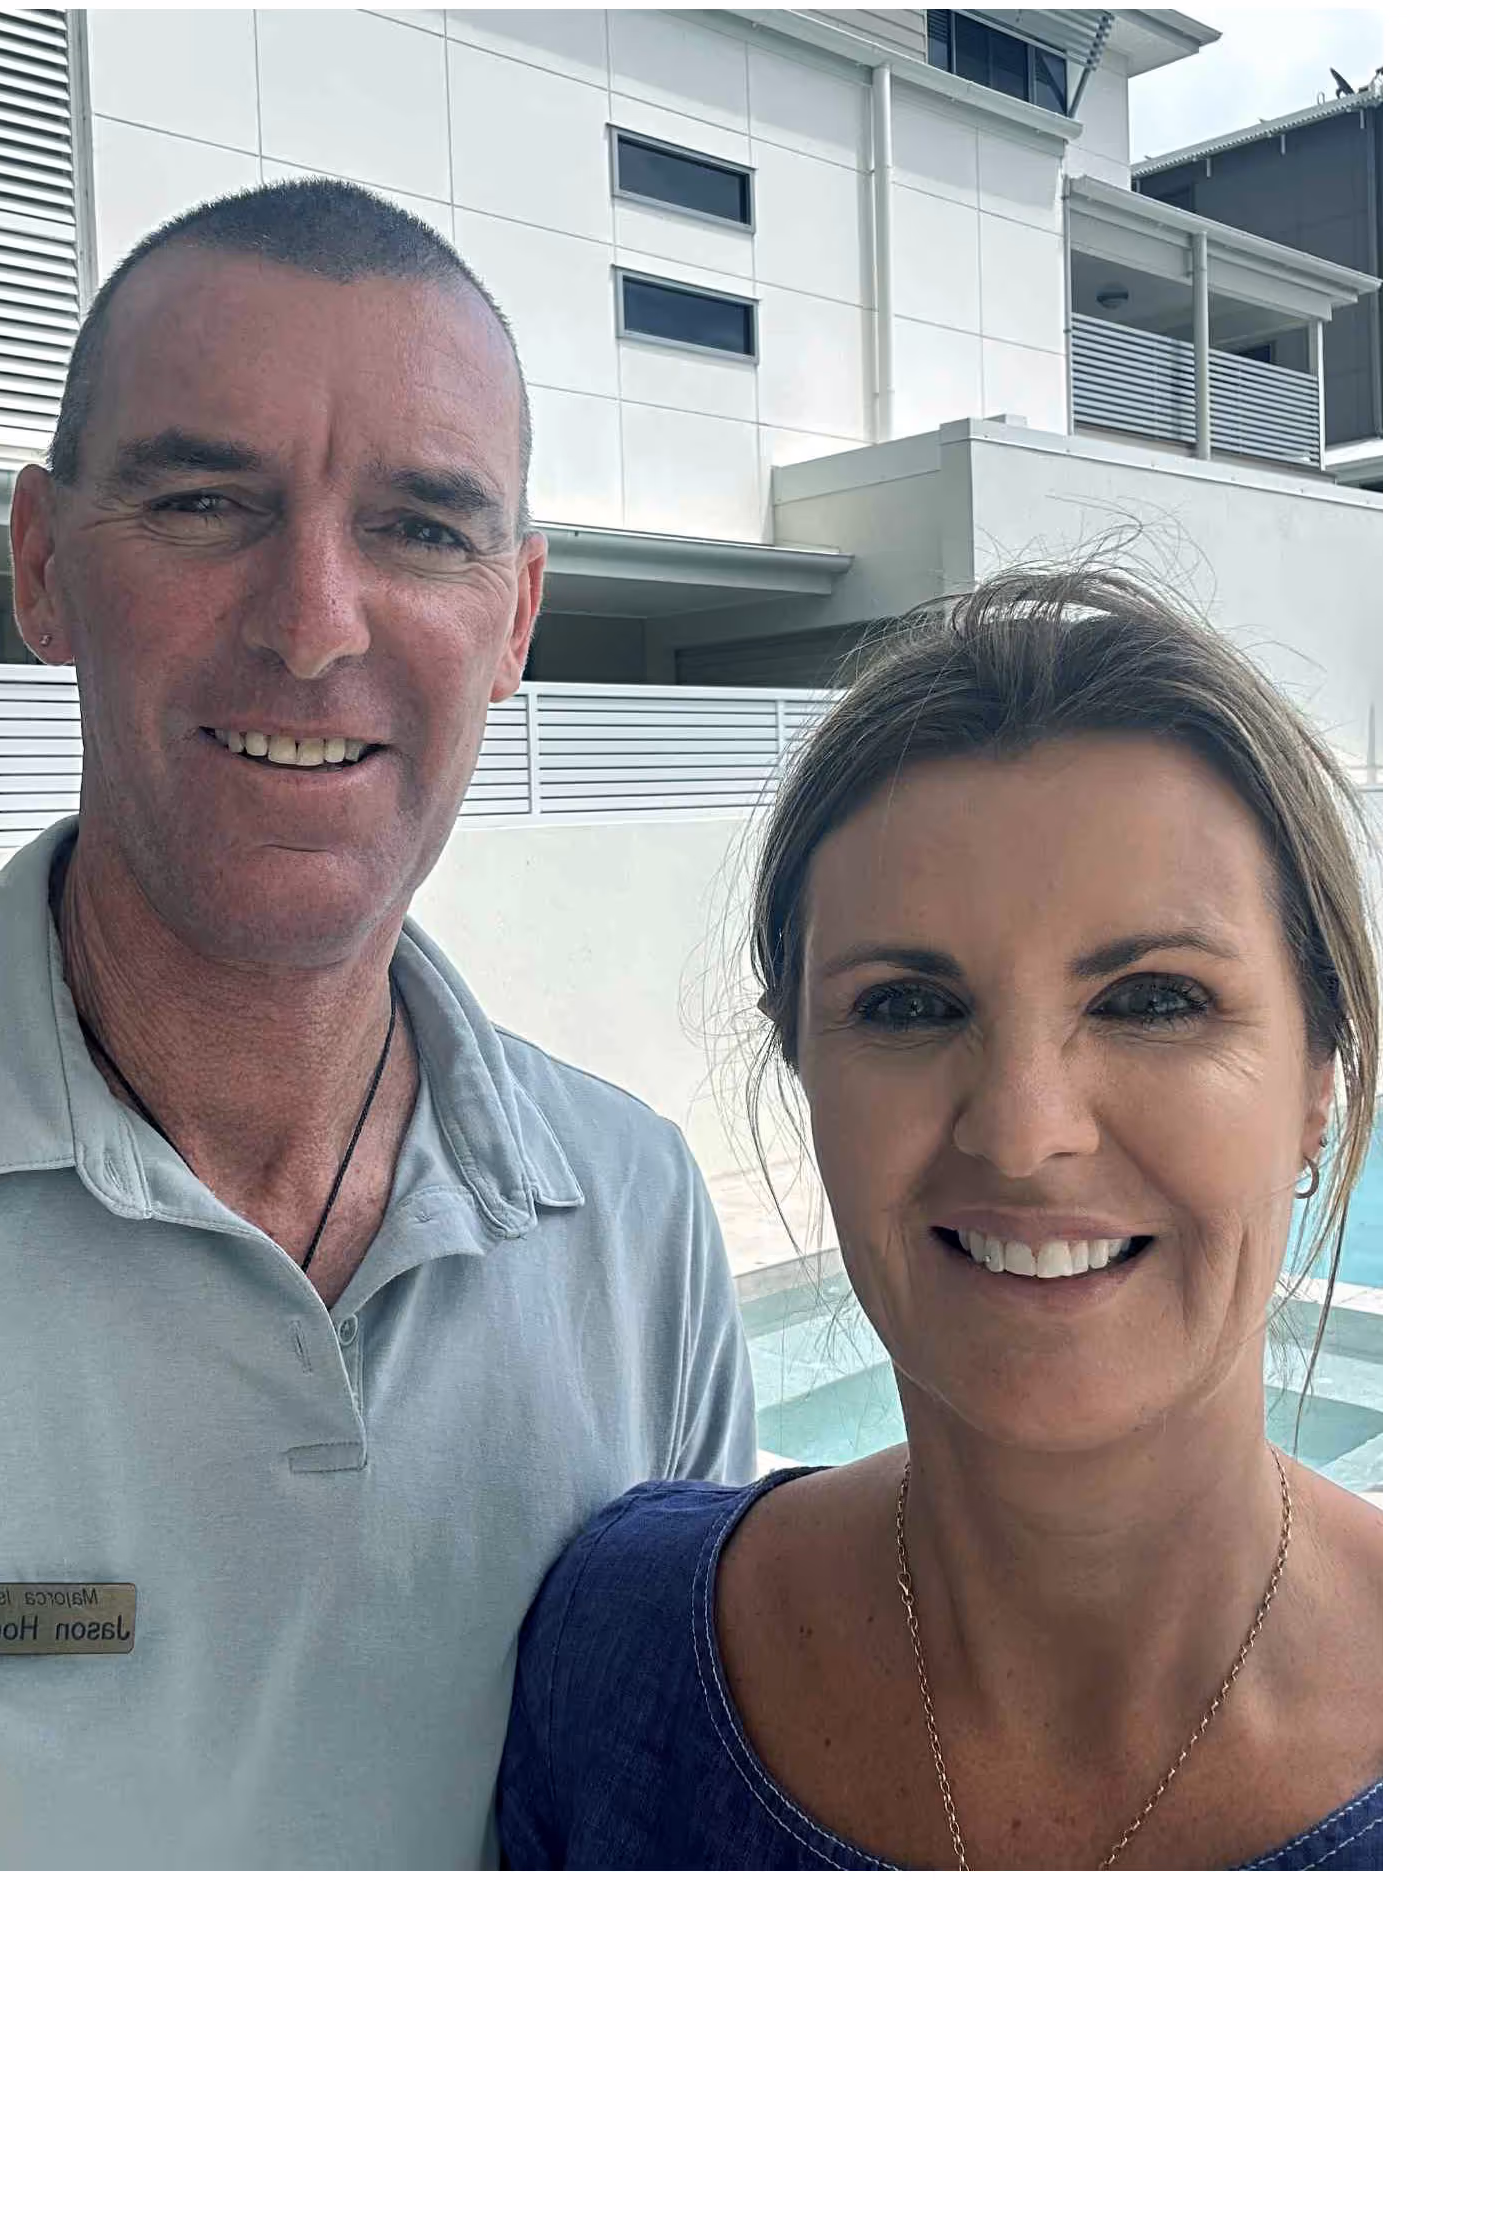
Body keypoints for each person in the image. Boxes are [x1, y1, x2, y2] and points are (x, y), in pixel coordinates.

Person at [0, 179, 755, 1869]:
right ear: (44, 568)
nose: (313, 622)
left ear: (516, 620)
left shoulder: (638, 1224)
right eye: (206, 502)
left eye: (422, 529)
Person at [499, 565, 1382, 1869]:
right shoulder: (610, 1644)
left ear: (1319, 1082)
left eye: (1152, 1000)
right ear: (804, 1071)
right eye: (911, 1007)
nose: (1024, 1131)